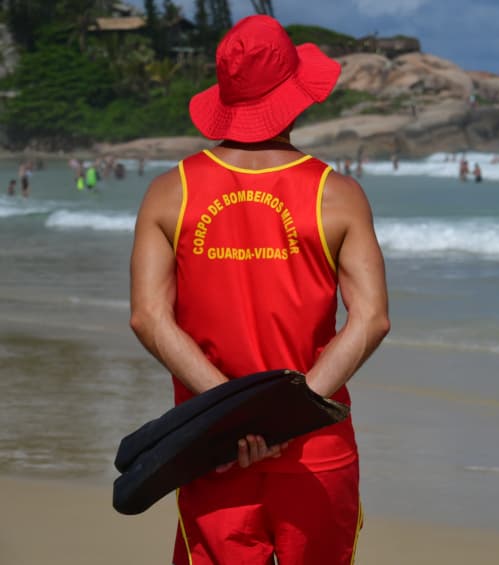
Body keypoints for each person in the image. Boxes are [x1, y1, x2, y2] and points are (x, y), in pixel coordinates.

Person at [129, 15, 390, 565]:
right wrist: (284, 415)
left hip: (212, 446)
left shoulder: (168, 192)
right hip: (315, 444)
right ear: (296, 98)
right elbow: (370, 319)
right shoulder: (337, 194)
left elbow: (149, 317)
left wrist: (232, 418)